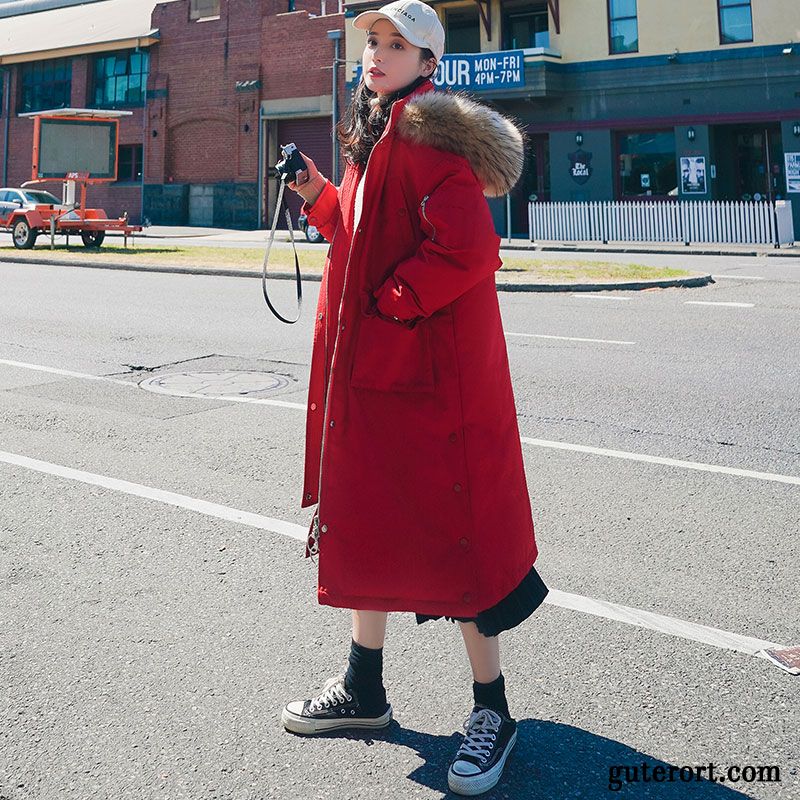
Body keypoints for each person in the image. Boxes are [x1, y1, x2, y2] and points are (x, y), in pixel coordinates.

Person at [280, 0, 548, 794]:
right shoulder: (375, 138)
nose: (378, 53)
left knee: (459, 534)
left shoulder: (429, 142)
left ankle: (491, 709)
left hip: (429, 381)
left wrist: (393, 304)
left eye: (397, 44)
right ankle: (364, 688)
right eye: (373, 41)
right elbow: (363, 237)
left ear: (429, 65)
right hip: (376, 377)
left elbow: (469, 248)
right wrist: (317, 192)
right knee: (365, 515)